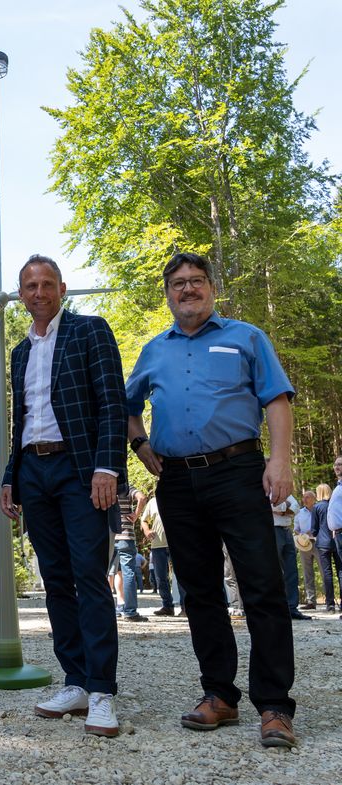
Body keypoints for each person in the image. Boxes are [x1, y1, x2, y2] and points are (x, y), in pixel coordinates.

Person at [126, 252, 297, 748]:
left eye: (196, 281)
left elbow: (278, 400)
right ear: (168, 294)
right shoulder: (154, 350)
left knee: (262, 588)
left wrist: (280, 460)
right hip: (177, 483)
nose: (187, 290)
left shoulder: (245, 337)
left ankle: (275, 706)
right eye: (177, 283)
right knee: (199, 593)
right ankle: (219, 695)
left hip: (239, 472)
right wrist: (140, 445)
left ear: (211, 288)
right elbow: (126, 406)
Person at [0, 254, 127, 738]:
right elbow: (22, 420)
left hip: (80, 470)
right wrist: (12, 474)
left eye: (46, 284)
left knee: (89, 577)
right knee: (54, 579)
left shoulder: (90, 331)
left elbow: (112, 403)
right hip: (34, 470)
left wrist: (106, 467)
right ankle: (74, 680)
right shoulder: (18, 352)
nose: (38, 292)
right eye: (29, 285)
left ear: (62, 288)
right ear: (20, 294)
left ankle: (101, 690)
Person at [270, 492, 310, 620]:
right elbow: (271, 506)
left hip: (287, 530)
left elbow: (296, 507)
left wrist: (283, 508)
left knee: (291, 570)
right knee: (275, 570)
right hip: (273, 529)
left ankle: (292, 607)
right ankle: (277, 607)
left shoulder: (284, 490)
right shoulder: (267, 487)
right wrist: (285, 507)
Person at [111, 487, 148, 621]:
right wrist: (136, 515)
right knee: (128, 573)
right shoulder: (127, 488)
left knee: (106, 573)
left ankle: (108, 609)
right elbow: (142, 498)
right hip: (126, 537)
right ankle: (130, 612)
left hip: (109, 536)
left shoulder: (105, 487)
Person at [140, 494, 178, 617]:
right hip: (157, 544)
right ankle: (167, 606)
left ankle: (185, 607)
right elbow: (143, 520)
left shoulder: (179, 495)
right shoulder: (153, 501)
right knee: (160, 577)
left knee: (182, 576)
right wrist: (146, 530)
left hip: (178, 542)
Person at [311, 482, 342, 613]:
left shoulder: (317, 507)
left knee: (327, 574)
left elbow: (314, 529)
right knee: (341, 571)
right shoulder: (335, 504)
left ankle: (330, 604)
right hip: (337, 540)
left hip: (323, 544)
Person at [294, 490, 319, 610]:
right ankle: (311, 601)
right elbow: (296, 529)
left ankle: (331, 600)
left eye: (307, 497)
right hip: (304, 545)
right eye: (304, 497)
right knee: (307, 573)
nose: (304, 499)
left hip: (318, 543)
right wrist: (302, 535)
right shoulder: (299, 513)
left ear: (314, 498)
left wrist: (313, 532)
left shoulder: (318, 509)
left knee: (325, 573)